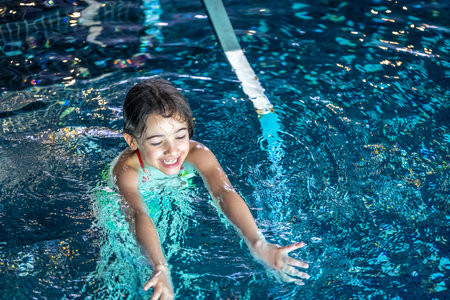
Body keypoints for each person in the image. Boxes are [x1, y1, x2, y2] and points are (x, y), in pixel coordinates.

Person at [111, 78, 309, 299]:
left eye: (180, 136)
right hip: (125, 208)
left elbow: (224, 192)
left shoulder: (198, 154)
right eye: (157, 142)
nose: (173, 150)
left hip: (165, 197)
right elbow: (137, 213)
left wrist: (258, 242)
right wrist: (160, 266)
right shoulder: (127, 170)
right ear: (132, 141)